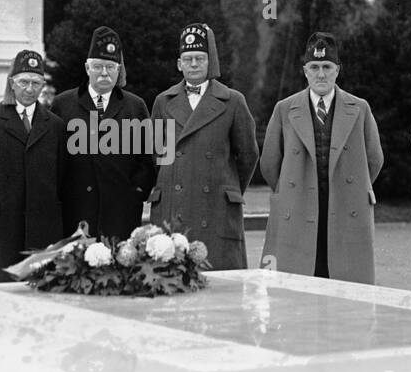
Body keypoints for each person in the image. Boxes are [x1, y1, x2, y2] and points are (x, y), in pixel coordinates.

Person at [259, 31, 383, 283]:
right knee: (297, 292)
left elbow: (374, 159)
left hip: (344, 206)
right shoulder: (284, 109)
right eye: (314, 67)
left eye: (327, 66)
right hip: (299, 206)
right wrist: (292, 190)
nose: (321, 74)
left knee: (346, 292)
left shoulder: (360, 108)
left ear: (338, 70)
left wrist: (352, 187)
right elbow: (269, 163)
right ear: (305, 70)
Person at [149, 22, 258, 269]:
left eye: (199, 58)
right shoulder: (163, 102)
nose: (194, 64)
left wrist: (222, 182)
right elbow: (155, 154)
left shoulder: (233, 101)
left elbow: (248, 156)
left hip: (216, 209)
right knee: (171, 291)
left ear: (210, 62)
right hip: (173, 210)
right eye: (188, 59)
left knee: (221, 292)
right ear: (179, 64)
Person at [0, 49, 69, 284]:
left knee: (41, 295)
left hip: (42, 227)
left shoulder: (56, 126)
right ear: (11, 83)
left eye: (36, 83)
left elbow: (61, 176)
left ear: (42, 86)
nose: (30, 89)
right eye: (24, 82)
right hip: (1, 226)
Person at [51, 26, 156, 240]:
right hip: (75, 212)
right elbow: (53, 158)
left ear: (119, 70)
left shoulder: (135, 106)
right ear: (87, 68)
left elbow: (148, 159)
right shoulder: (63, 104)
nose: (104, 73)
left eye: (110, 66)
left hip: (121, 214)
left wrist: (136, 193)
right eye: (98, 66)